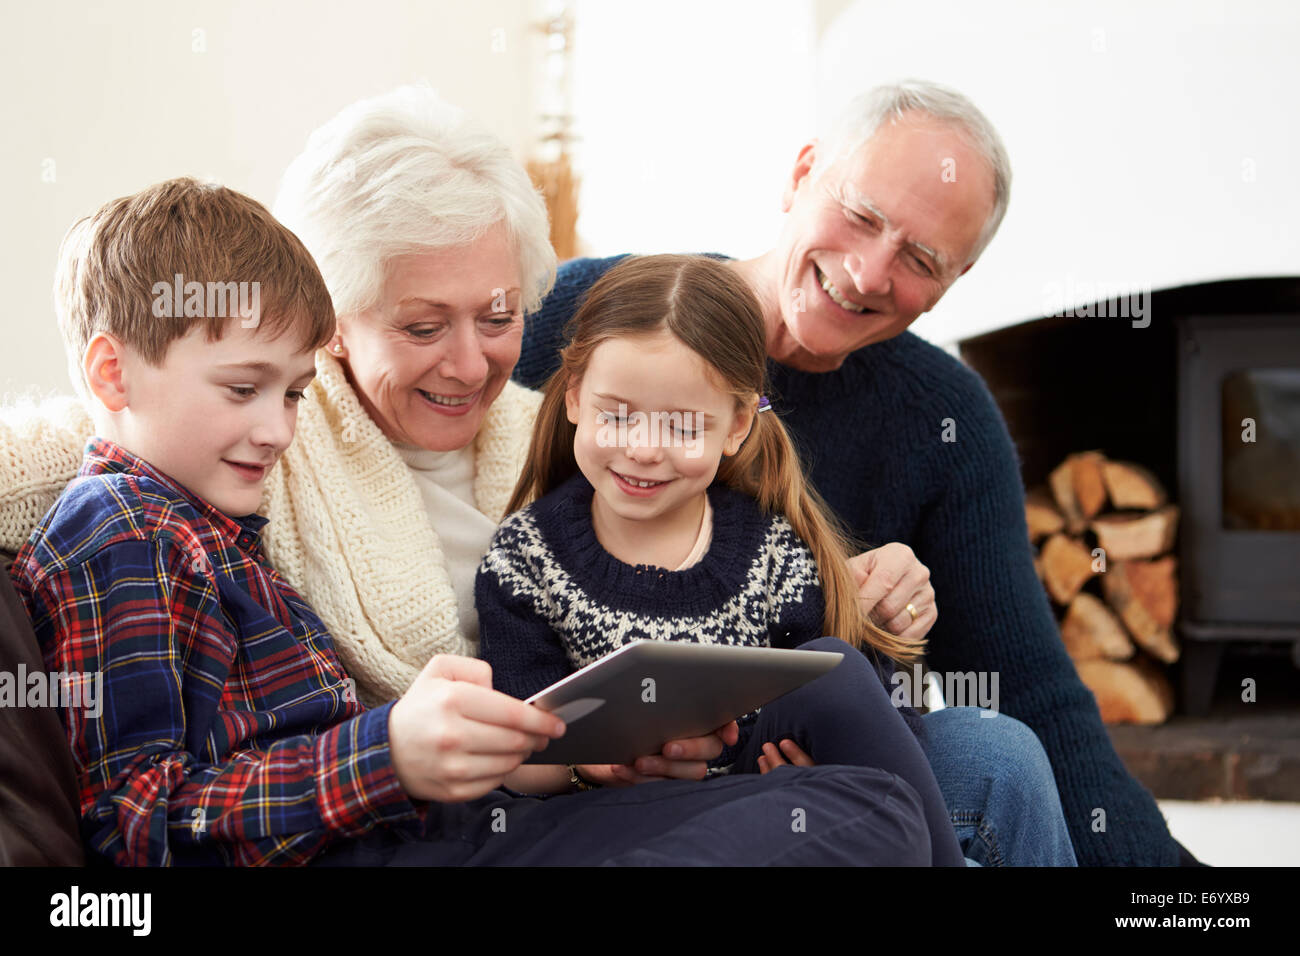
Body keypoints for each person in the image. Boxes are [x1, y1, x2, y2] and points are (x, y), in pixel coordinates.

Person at [0, 85, 1071, 864]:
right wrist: (391, 753)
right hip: (438, 822)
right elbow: (137, 818)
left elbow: (716, 562)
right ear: (340, 325)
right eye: (422, 325)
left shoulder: (544, 422)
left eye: (500, 316)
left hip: (522, 792)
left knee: (931, 728)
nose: (471, 361)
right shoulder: (200, 482)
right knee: (867, 815)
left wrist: (845, 596)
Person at [513, 80, 1195, 867]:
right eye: (863, 216)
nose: (869, 274)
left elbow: (1030, 685)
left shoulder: (944, 417)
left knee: (999, 751)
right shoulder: (590, 314)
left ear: (954, 282)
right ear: (801, 175)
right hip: (615, 773)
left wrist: (1181, 892)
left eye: (919, 258)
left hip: (819, 757)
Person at [477, 253, 973, 866]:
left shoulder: (771, 551)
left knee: (838, 667)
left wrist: (821, 769)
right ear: (575, 396)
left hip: (759, 804)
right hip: (610, 820)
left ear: (736, 426)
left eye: (683, 427)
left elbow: (874, 712)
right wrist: (588, 765)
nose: (644, 451)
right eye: (617, 416)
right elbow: (514, 757)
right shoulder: (526, 559)